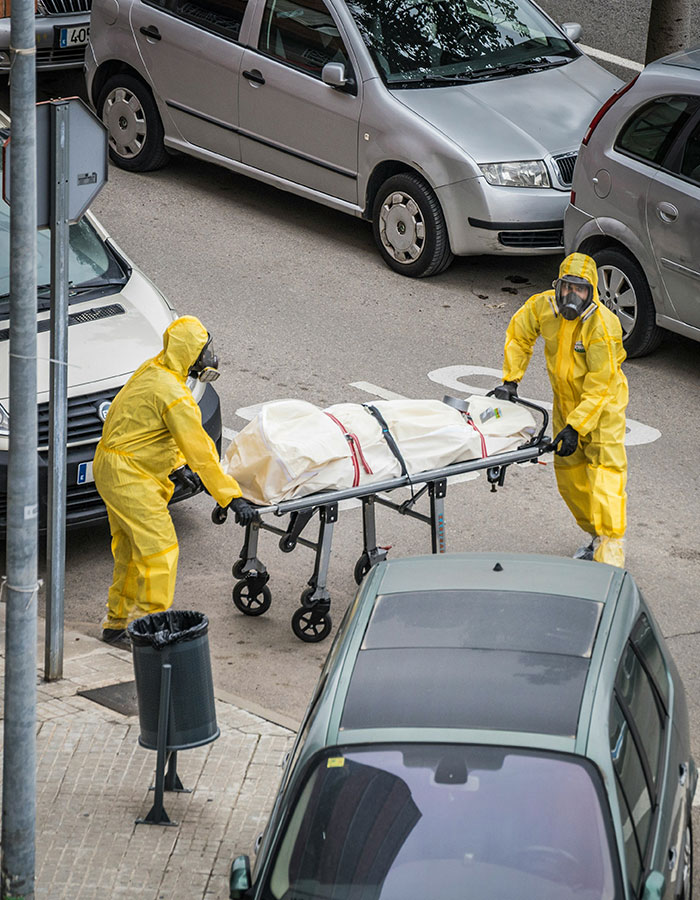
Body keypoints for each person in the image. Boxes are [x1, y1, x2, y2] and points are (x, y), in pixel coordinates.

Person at [94, 316, 257, 645]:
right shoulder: (175, 396)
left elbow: (147, 430)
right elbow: (202, 453)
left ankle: (116, 623)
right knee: (160, 551)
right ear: (190, 354)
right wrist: (230, 497)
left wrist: (177, 465)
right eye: (203, 351)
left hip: (113, 467)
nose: (208, 357)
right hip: (132, 477)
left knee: (129, 551)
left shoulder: (155, 370)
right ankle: (151, 628)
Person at [493, 253, 628, 567]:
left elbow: (602, 382)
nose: (572, 296)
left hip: (603, 409)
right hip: (566, 404)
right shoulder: (544, 307)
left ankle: (610, 558)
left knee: (605, 478)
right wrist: (511, 380)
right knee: (570, 478)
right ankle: (595, 537)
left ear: (591, 292)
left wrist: (577, 426)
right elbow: (519, 335)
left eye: (580, 290)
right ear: (558, 286)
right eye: (567, 287)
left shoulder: (602, 326)